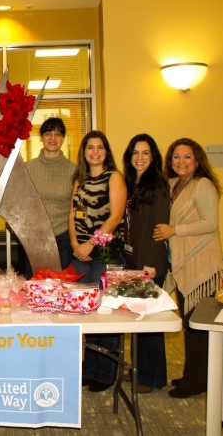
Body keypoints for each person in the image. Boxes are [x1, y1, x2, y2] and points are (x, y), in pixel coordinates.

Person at [153, 137, 223, 398]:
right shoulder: (173, 185)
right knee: (190, 325)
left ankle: (196, 382)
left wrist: (175, 230)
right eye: (176, 157)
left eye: (187, 157)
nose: (181, 162)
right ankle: (195, 374)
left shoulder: (203, 185)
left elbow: (210, 223)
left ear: (197, 162)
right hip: (181, 264)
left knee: (198, 327)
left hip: (200, 266)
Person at [69, 130, 127, 392]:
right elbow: (72, 215)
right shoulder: (79, 179)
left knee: (106, 313)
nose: (95, 151)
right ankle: (89, 366)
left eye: (100, 147)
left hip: (105, 254)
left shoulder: (114, 177)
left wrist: (90, 245)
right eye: (90, 147)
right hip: (81, 254)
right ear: (84, 152)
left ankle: (106, 372)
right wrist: (74, 245)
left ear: (106, 151)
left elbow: (115, 217)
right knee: (87, 313)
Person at [122, 133, 170, 394]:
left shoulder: (158, 187)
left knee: (150, 322)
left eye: (145, 153)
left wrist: (150, 265)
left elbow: (159, 229)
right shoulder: (131, 184)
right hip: (131, 260)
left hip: (149, 264)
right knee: (137, 319)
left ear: (153, 157)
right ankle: (139, 368)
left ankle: (150, 378)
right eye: (135, 153)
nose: (140, 158)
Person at [25, 117, 76, 278]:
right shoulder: (27, 169)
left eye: (58, 134)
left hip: (63, 238)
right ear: (40, 137)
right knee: (34, 287)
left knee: (62, 288)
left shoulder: (74, 170)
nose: (53, 138)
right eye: (48, 133)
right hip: (35, 239)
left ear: (63, 139)